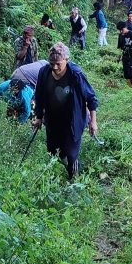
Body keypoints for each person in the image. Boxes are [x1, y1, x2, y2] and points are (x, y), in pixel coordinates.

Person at [33, 42, 99, 180]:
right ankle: (66, 166)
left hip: (73, 121)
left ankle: (74, 179)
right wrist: (39, 117)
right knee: (53, 150)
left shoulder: (75, 74)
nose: (55, 67)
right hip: (52, 119)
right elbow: (39, 95)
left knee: (71, 153)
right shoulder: (44, 72)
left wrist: (93, 122)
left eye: (58, 64)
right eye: (52, 63)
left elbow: (91, 98)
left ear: (66, 60)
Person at [116, 20, 132, 87]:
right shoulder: (120, 35)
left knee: (131, 73)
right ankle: (130, 87)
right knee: (126, 74)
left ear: (125, 27)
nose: (121, 31)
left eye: (122, 29)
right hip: (124, 56)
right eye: (119, 30)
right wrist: (119, 57)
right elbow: (120, 47)